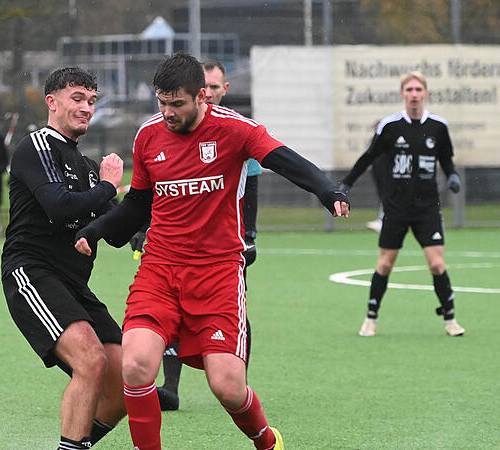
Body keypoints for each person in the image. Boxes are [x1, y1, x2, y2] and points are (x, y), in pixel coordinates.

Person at [74, 52, 349, 450]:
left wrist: (326, 189)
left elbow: (282, 158)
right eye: (162, 102)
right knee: (134, 364)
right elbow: (138, 203)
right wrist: (97, 230)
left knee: (228, 386)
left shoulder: (235, 129)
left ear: (202, 96)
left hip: (218, 273)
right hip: (160, 268)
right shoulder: (148, 135)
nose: (167, 112)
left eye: (177, 104)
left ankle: (266, 441)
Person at [0, 67, 126, 449]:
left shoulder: (87, 168)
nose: (87, 107)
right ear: (51, 102)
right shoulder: (37, 146)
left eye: (92, 101)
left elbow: (118, 230)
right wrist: (109, 186)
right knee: (90, 360)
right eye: (78, 98)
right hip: (32, 273)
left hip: (73, 285)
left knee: (125, 383)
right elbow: (59, 207)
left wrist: (148, 214)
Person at [153, 59, 262, 411]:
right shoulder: (168, 128)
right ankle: (170, 387)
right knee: (171, 310)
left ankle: (235, 379)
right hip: (177, 245)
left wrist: (250, 234)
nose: (210, 93)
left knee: (234, 314)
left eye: (216, 87)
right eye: (206, 86)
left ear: (222, 90)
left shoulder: (237, 130)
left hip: (224, 246)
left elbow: (251, 184)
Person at [339, 71, 465, 338]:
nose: (414, 94)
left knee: (436, 264)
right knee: (385, 263)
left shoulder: (438, 127)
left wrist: (452, 175)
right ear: (402, 94)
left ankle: (451, 319)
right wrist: (346, 184)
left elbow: (446, 159)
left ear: (426, 93)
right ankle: (371, 318)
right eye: (409, 90)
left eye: (418, 89)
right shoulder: (390, 126)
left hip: (427, 208)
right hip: (396, 207)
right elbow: (368, 157)